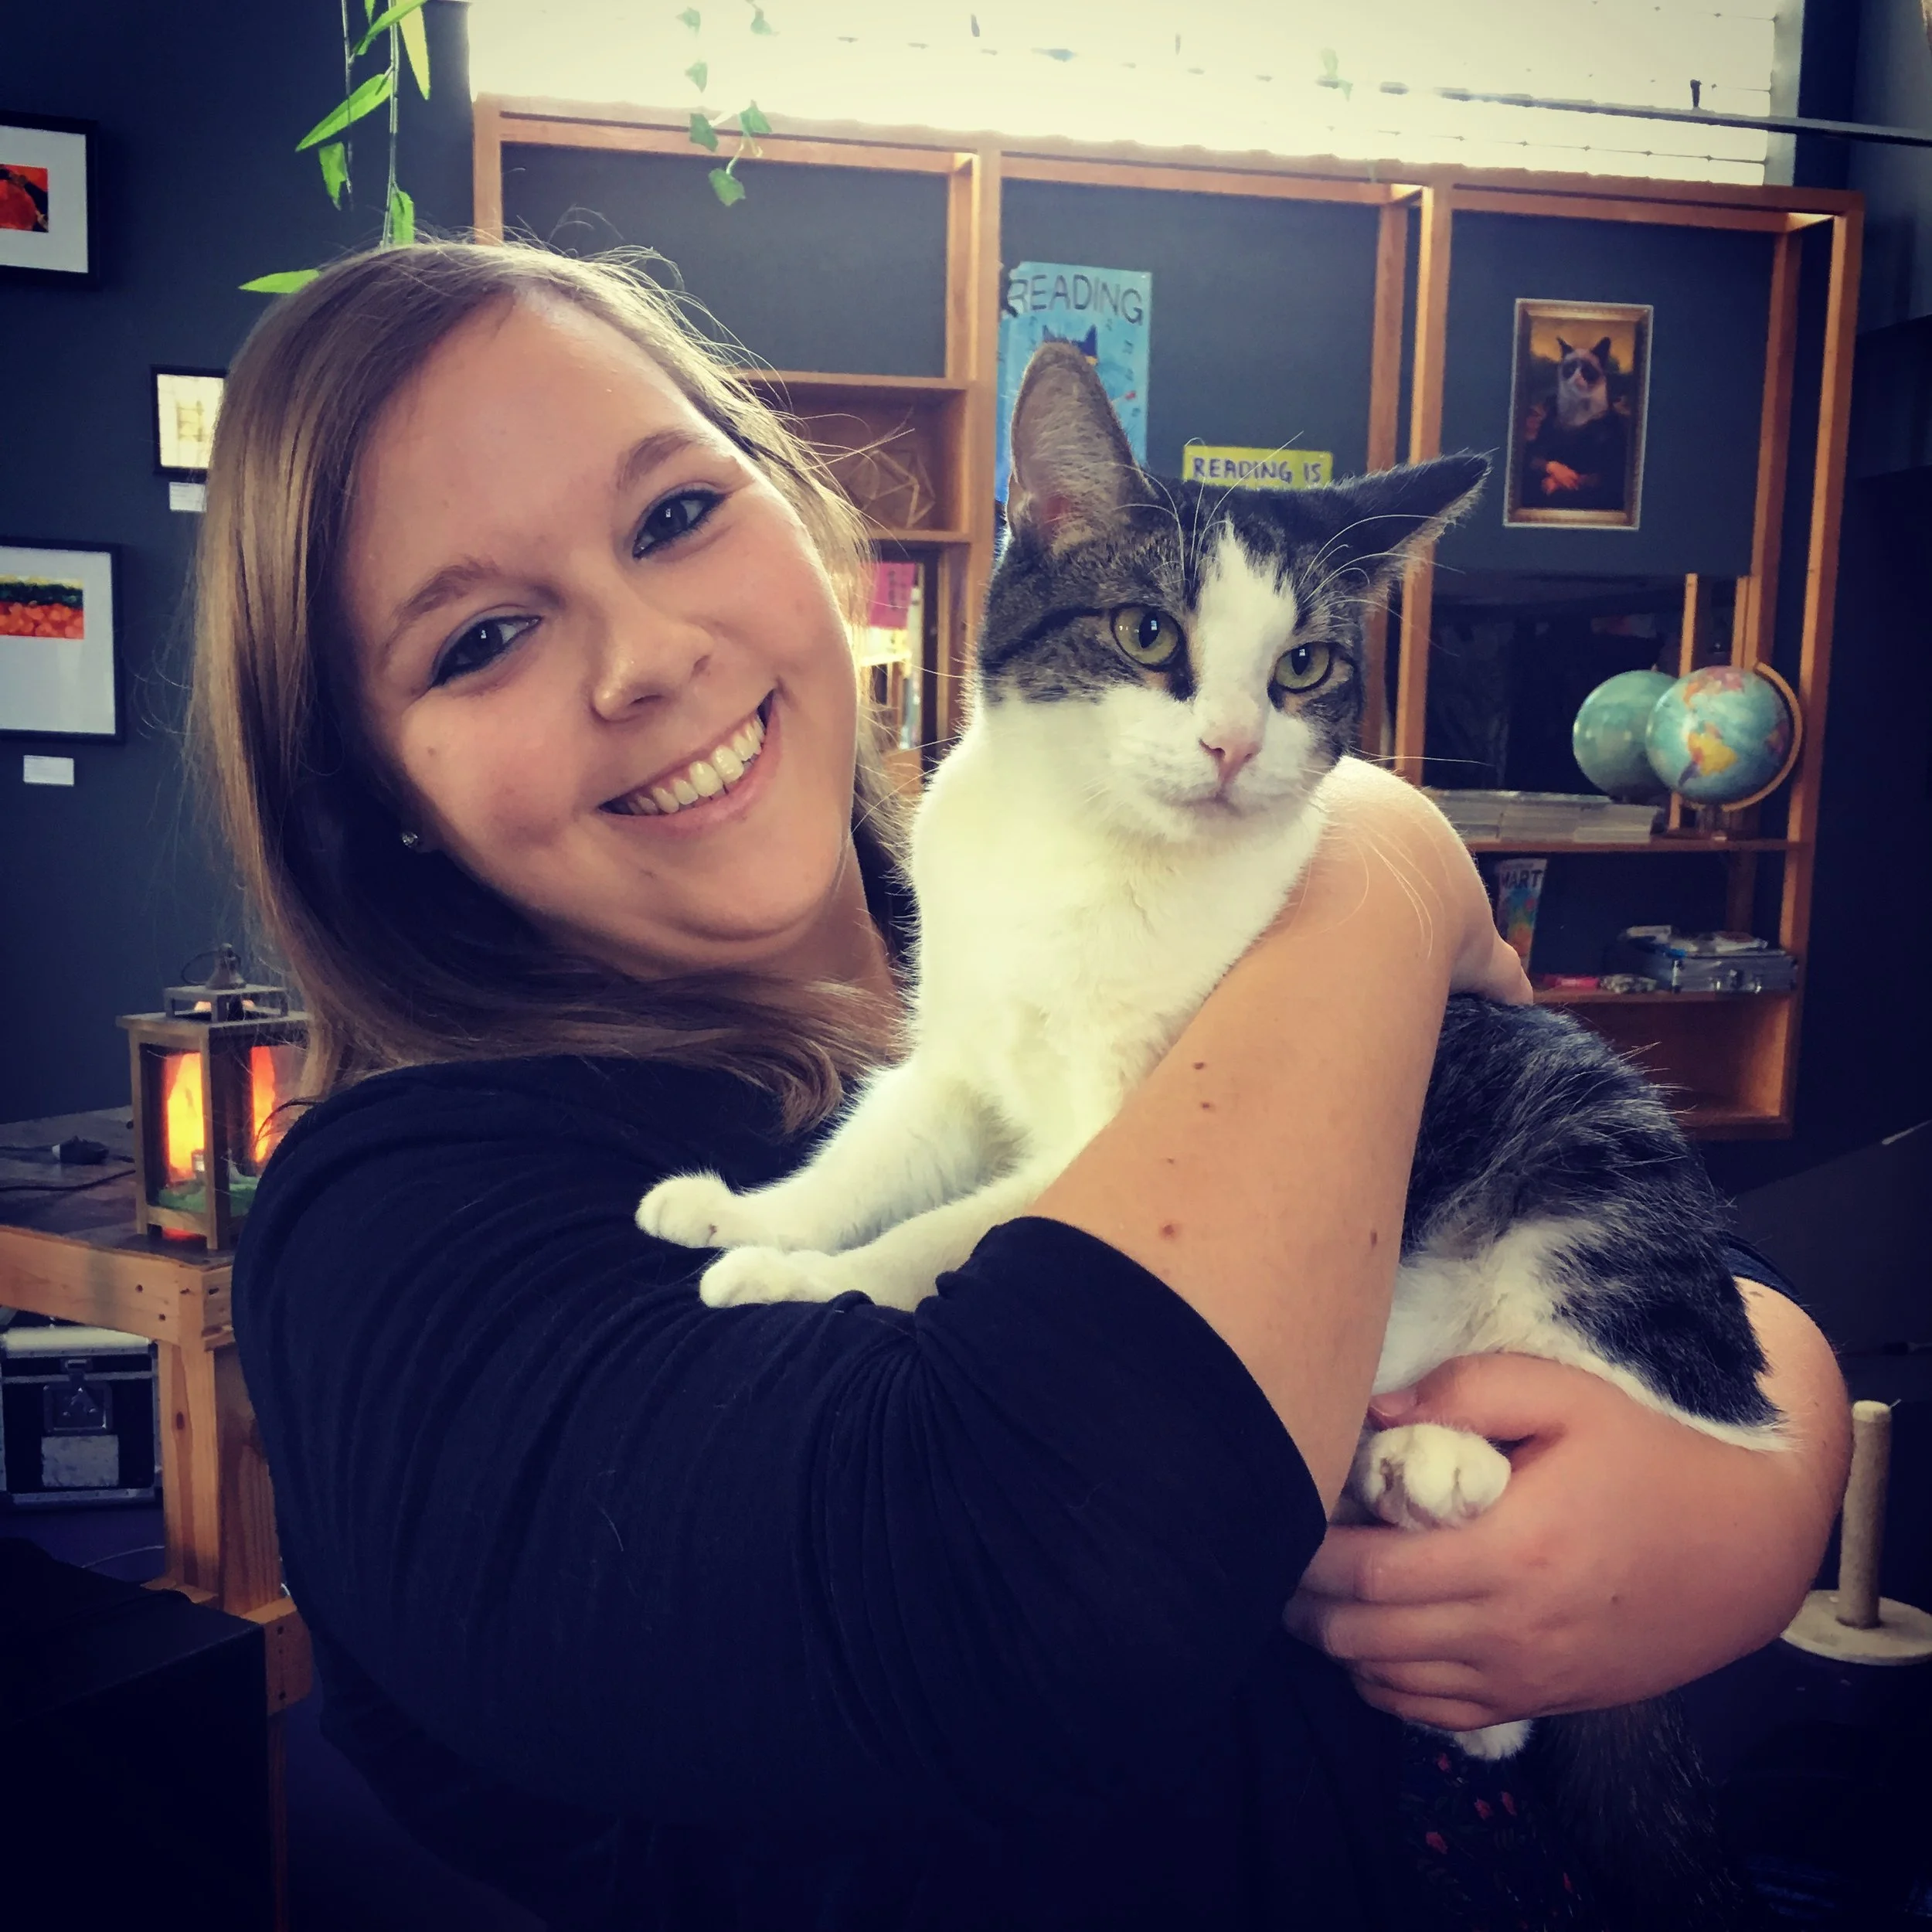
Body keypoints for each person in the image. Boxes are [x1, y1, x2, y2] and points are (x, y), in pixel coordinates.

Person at [199, 243, 1848, 1930]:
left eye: (674, 513)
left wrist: (1758, 1496)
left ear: (794, 509)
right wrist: (1387, 868)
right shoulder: (382, 1237)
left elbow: (1698, 1270)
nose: (646, 656)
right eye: (480, 637)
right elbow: (1050, 1582)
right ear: (371, 783)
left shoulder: (1017, 893)